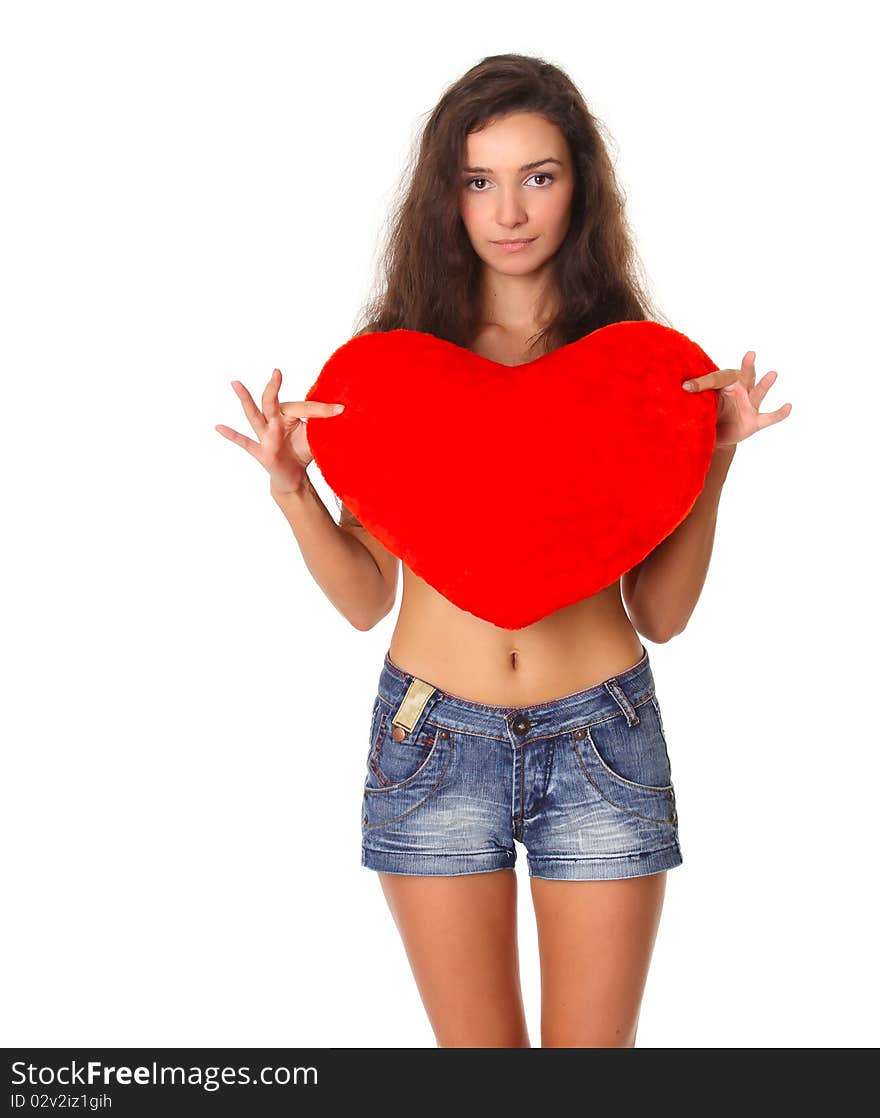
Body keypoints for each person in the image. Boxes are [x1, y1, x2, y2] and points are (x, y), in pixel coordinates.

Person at [215, 53, 791, 1048]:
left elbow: (659, 613)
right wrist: (290, 488)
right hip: (433, 737)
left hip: (601, 732)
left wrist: (717, 458)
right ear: (448, 195)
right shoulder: (394, 367)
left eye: (539, 175)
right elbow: (364, 599)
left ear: (580, 186)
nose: (510, 211)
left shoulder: (638, 369)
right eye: (480, 180)